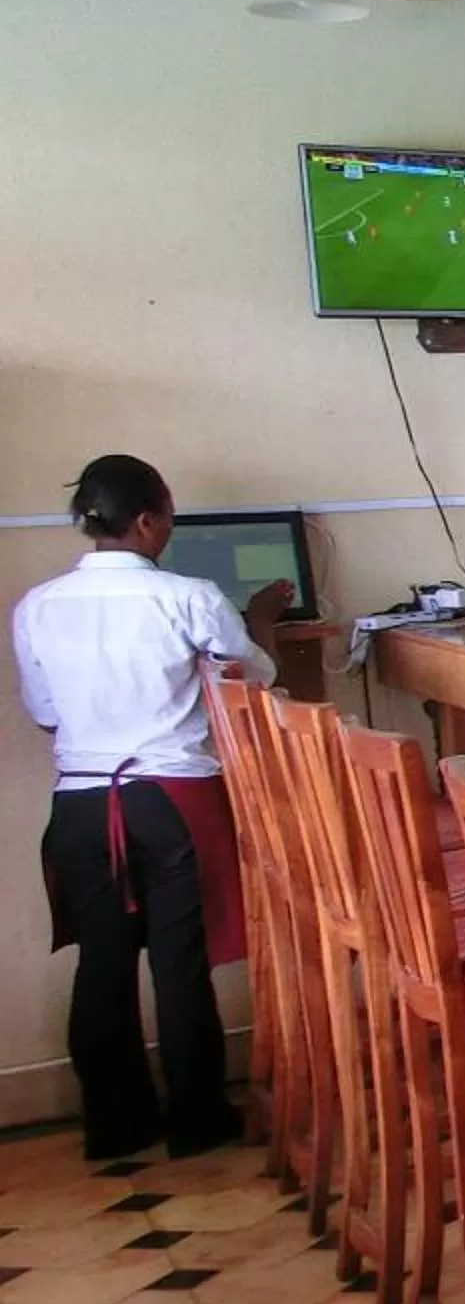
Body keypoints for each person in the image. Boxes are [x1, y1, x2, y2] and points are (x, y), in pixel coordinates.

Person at [11, 457, 285, 1159]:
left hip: (79, 801)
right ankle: (197, 1118)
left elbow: (45, 713)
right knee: (178, 962)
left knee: (101, 962)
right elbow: (253, 674)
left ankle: (114, 1121)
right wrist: (257, 622)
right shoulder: (188, 596)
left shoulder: (37, 606)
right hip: (172, 798)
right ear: (147, 520)